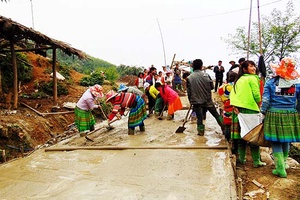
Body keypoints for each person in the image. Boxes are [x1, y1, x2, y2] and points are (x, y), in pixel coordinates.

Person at [260, 57, 300, 178]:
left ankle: (280, 169)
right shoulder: (297, 83)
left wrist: (263, 112)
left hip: (274, 114)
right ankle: (284, 164)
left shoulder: (271, 82)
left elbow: (266, 100)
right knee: (286, 140)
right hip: (291, 114)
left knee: (276, 141)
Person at [230, 60, 266, 168]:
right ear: (245, 69)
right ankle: (256, 161)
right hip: (251, 110)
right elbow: (256, 95)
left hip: (239, 110)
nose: (254, 68)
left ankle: (242, 159)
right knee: (254, 136)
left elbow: (233, 94)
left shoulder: (239, 79)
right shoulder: (253, 78)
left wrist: (235, 106)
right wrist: (260, 105)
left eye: (254, 66)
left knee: (243, 135)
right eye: (251, 66)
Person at [187, 59, 225, 136]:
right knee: (216, 115)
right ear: (201, 66)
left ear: (193, 67)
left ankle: (200, 134)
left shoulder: (189, 78)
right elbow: (212, 87)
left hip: (197, 102)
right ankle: (225, 129)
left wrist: (191, 102)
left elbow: (189, 93)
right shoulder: (206, 75)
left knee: (200, 119)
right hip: (208, 100)